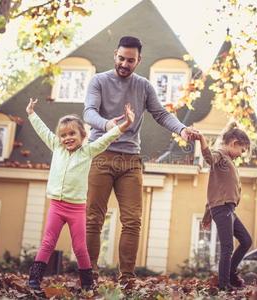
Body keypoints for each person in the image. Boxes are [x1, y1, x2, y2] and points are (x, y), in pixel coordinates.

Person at [83, 36, 199, 281]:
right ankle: (89, 273)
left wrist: (181, 129)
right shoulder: (99, 81)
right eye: (121, 58)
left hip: (130, 160)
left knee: (133, 220)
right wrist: (108, 125)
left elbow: (161, 114)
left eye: (131, 60)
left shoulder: (143, 86)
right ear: (115, 54)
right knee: (94, 218)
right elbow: (89, 112)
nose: (125, 64)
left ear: (139, 60)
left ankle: (126, 277)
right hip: (101, 154)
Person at [26, 98, 135, 290]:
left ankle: (87, 284)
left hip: (76, 209)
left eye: (72, 134)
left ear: (83, 135)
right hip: (56, 207)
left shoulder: (88, 151)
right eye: (63, 135)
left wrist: (125, 125)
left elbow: (106, 139)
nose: (67, 138)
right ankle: (34, 280)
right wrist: (32, 114)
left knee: (80, 247)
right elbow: (43, 131)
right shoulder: (57, 147)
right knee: (47, 242)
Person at [197, 122, 252, 291]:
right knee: (227, 246)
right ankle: (224, 285)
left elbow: (215, 190)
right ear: (234, 143)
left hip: (227, 209)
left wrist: (207, 215)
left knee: (246, 240)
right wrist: (202, 140)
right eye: (242, 150)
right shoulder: (220, 156)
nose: (241, 155)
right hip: (222, 209)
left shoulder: (229, 160)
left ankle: (230, 274)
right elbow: (209, 158)